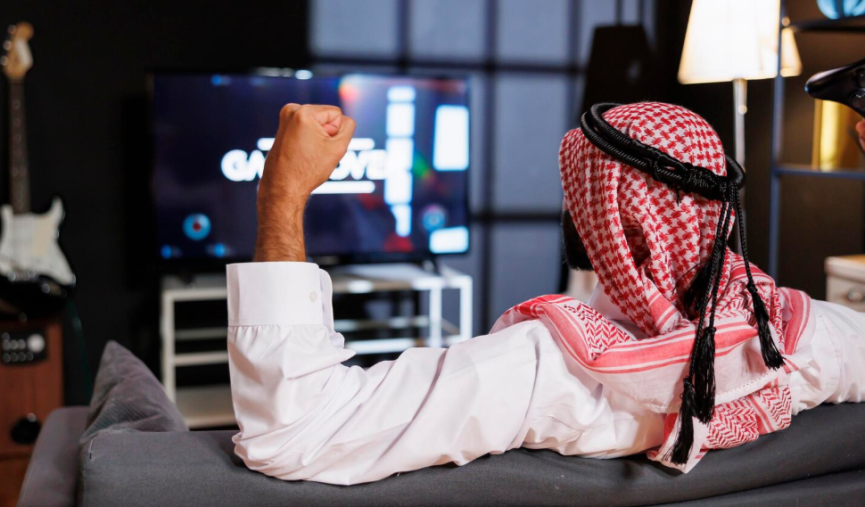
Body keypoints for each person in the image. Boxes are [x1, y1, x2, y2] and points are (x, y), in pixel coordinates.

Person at [226, 102, 865, 485]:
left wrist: (281, 193)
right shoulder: (804, 337)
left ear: (605, 225)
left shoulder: (545, 372)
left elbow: (296, 430)